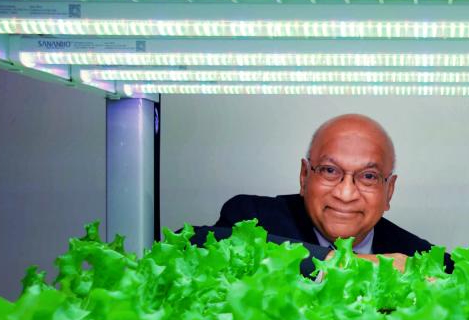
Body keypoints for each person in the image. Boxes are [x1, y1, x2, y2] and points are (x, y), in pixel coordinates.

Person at [190, 114, 451, 276]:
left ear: (389, 191)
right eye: (329, 170)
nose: (346, 193)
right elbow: (190, 246)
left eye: (368, 176)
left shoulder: (417, 255)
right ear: (304, 176)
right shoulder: (252, 217)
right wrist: (342, 264)